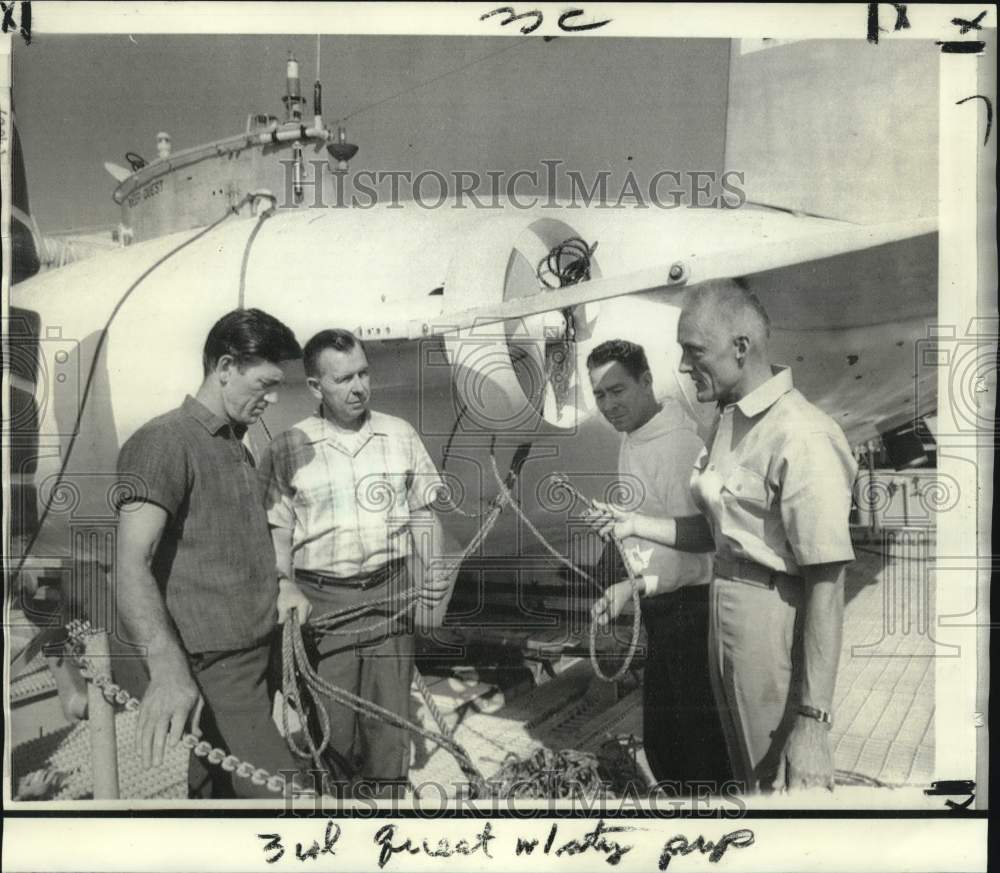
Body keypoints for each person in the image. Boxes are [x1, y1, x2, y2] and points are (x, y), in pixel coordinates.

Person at [591, 281, 856, 792]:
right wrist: (633, 526)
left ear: (741, 347)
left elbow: (828, 583)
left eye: (694, 351)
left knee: (779, 789)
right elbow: (716, 534)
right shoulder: (731, 425)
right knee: (734, 781)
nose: (685, 366)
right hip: (722, 622)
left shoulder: (802, 434)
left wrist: (813, 722)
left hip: (768, 633)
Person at [114, 308, 304, 799]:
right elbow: (130, 564)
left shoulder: (235, 446)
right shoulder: (163, 443)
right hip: (218, 666)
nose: (273, 397)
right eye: (264, 383)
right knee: (286, 798)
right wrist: (168, 668)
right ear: (224, 368)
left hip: (256, 654)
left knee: (215, 786)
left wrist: (282, 584)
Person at [258, 328, 450, 794]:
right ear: (314, 387)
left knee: (389, 726)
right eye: (343, 378)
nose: (358, 387)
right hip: (324, 605)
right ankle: (338, 830)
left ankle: (386, 824)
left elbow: (423, 512)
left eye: (364, 373)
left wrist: (434, 573)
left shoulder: (399, 434)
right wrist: (285, 585)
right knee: (333, 730)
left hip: (391, 594)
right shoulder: (288, 447)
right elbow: (277, 531)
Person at [584, 339, 731, 792]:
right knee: (666, 746)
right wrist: (629, 589)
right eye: (599, 396)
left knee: (700, 753)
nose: (609, 405)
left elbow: (707, 536)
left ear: (647, 382)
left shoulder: (679, 444)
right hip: (663, 611)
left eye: (618, 390)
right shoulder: (633, 438)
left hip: (694, 614)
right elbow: (657, 542)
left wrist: (631, 524)